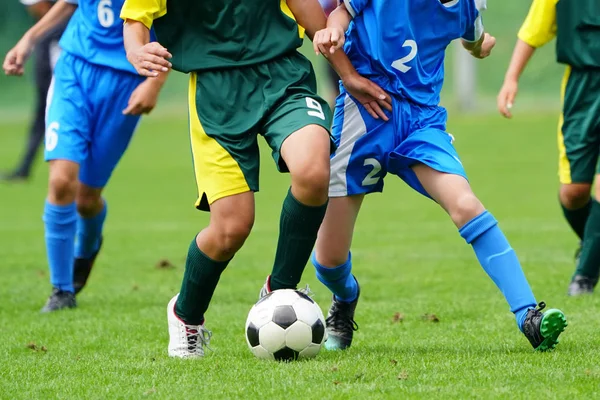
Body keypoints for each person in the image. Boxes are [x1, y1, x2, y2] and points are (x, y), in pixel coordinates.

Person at [120, 0, 392, 358]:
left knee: (313, 171)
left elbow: (309, 13)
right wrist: (138, 51)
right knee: (231, 227)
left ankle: (280, 292)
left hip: (284, 78)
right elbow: (135, 20)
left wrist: (347, 75)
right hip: (216, 94)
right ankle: (185, 314)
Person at [311, 0, 567, 351]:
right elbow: (340, 14)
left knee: (465, 204)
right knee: (328, 259)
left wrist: (481, 46)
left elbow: (473, 37)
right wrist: (334, 29)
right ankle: (346, 295)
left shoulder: (466, 7)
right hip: (365, 112)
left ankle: (528, 316)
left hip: (421, 122)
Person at [3, 0, 168, 312]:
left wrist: (155, 83)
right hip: (75, 70)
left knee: (86, 199)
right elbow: (69, 3)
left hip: (126, 82)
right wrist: (29, 39)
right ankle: (62, 290)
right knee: (62, 180)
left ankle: (88, 247)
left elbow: (179, 27)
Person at [497, 0, 600, 296]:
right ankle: (593, 244)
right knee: (573, 193)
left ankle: (584, 278)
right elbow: (532, 31)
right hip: (581, 90)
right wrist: (511, 79)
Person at [1, 0, 68, 182]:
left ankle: (28, 169)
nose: (31, 9)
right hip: (50, 86)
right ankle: (24, 168)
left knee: (53, 124)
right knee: (40, 123)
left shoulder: (59, 30)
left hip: (60, 88)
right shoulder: (48, 29)